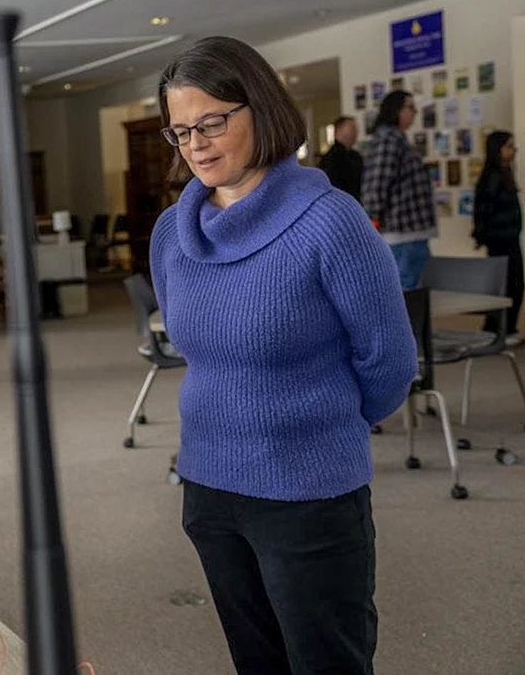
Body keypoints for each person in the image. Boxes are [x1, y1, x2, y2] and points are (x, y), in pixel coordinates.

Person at [151, 36, 417, 675]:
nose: (197, 145)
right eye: (181, 131)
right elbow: (194, 346)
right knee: (257, 662)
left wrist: (322, 428)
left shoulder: (331, 221)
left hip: (310, 490)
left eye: (213, 121)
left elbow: (389, 361)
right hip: (210, 487)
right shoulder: (172, 232)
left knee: (328, 662)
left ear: (261, 108)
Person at [363, 90, 437, 289]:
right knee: (405, 293)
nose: (415, 112)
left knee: (411, 290)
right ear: (397, 110)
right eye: (410, 107)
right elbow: (377, 184)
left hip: (410, 232)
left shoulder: (397, 139)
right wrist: (374, 222)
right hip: (402, 234)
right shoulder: (389, 140)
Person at [472, 131, 522, 344]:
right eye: (509, 146)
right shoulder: (493, 177)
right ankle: (497, 329)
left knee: (513, 284)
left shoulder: (505, 173)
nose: (514, 150)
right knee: (506, 285)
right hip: (500, 240)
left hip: (509, 238)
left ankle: (505, 327)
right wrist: (482, 234)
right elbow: (483, 209)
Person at [317, 115, 363, 202]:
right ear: (339, 130)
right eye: (352, 128)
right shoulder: (332, 157)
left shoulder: (355, 155)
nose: (356, 132)